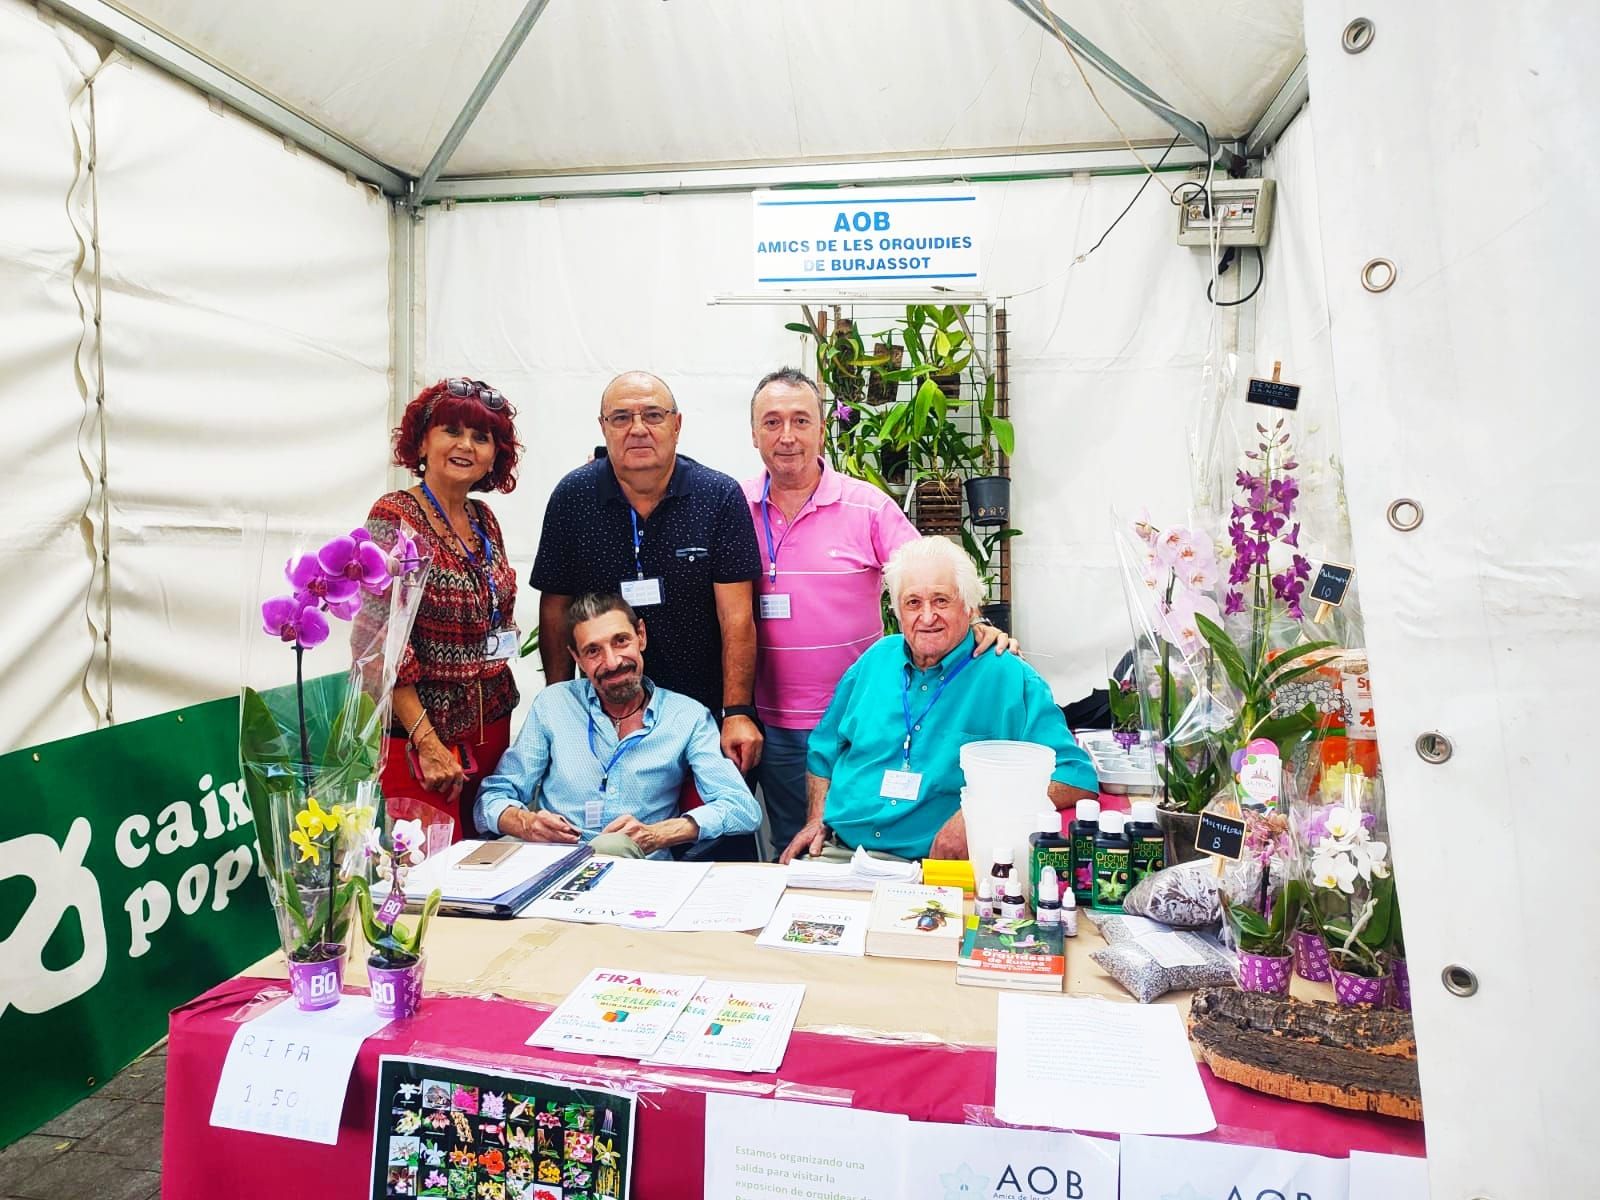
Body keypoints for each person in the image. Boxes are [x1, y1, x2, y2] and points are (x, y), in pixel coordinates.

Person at [743, 367, 1017, 855]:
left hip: (861, 723)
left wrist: (977, 625)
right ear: (754, 432)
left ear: (822, 429)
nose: (787, 436)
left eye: (801, 420)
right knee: (797, 848)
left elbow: (929, 576)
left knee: (870, 845)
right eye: (772, 422)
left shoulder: (867, 507)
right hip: (769, 722)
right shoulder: (734, 506)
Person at [781, 537, 1097, 864]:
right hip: (840, 851)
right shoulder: (874, 661)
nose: (928, 616)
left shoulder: (1008, 677)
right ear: (897, 611)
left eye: (941, 601)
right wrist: (817, 817)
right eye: (913, 603)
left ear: (970, 607)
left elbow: (1074, 776)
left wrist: (979, 813)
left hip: (935, 865)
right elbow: (824, 750)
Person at [532, 371, 764, 773]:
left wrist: (738, 710)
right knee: (607, 831)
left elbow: (737, 615)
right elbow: (555, 609)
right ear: (603, 428)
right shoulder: (572, 498)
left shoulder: (718, 496)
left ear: (677, 424)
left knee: (713, 829)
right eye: (621, 418)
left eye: (652, 415)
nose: (637, 429)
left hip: (701, 714)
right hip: (602, 717)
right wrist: (560, 707)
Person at [475, 592, 761, 859]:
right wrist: (525, 823)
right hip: (556, 865)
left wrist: (658, 834)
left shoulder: (686, 717)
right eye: (593, 651)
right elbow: (491, 798)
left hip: (640, 873)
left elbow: (742, 809)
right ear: (576, 658)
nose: (612, 662)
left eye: (621, 641)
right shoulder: (554, 705)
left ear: (641, 636)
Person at [369, 378, 524, 840]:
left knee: (490, 871)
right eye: (451, 431)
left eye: (481, 437)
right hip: (423, 742)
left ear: (496, 454)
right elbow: (382, 644)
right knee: (429, 881)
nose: (466, 445)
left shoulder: (483, 519)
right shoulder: (394, 516)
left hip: (491, 730)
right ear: (422, 441)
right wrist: (429, 743)